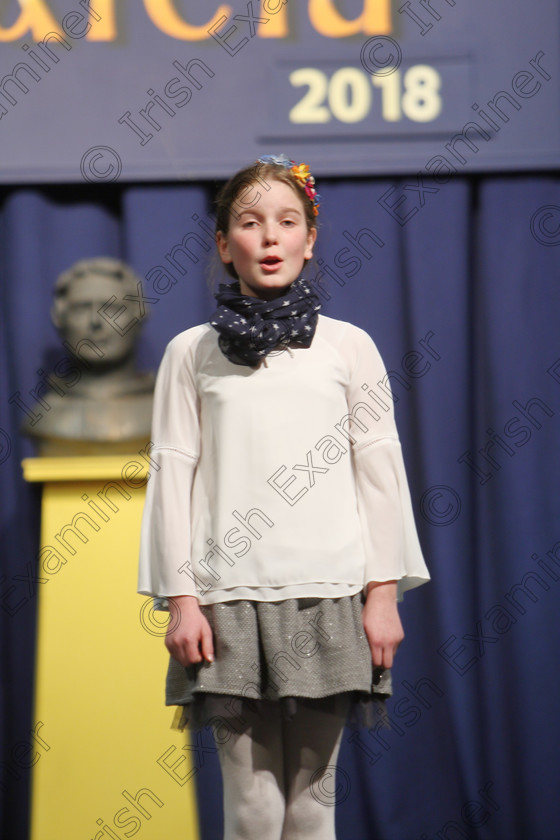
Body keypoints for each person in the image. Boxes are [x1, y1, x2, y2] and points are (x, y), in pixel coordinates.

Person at [138, 155, 430, 840]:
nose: (269, 238)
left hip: (328, 594)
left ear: (310, 236)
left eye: (286, 221)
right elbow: (172, 477)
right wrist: (182, 600)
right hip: (227, 599)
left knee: (312, 805)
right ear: (222, 243)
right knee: (253, 808)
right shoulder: (191, 353)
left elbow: (380, 476)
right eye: (249, 222)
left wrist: (382, 595)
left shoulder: (348, 348)